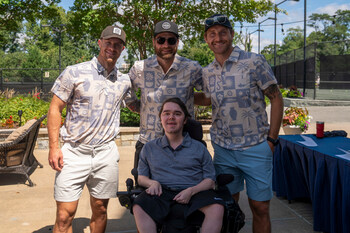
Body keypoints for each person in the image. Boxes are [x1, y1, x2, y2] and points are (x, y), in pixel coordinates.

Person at [200, 14, 284, 233]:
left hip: (256, 147)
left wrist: (272, 140)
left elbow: (276, 97)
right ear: (206, 40)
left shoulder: (254, 61)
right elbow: (209, 99)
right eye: (212, 34)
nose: (217, 38)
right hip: (223, 149)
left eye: (222, 33)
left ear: (231, 34)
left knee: (260, 208)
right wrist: (181, 95)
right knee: (228, 207)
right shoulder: (207, 71)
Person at [47, 25, 131, 233]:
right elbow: (55, 108)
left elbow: (137, 106)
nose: (112, 48)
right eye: (108, 43)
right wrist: (54, 147)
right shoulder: (75, 72)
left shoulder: (124, 81)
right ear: (99, 43)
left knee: (101, 209)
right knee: (64, 215)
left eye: (117, 45)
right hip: (74, 152)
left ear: (122, 49)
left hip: (105, 153)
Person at [132, 97, 225, 233]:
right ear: (161, 118)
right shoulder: (149, 148)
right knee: (139, 205)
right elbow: (141, 178)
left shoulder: (199, 148)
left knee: (217, 207)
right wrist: (152, 183)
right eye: (167, 113)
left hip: (194, 192)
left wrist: (191, 191)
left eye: (177, 113)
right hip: (161, 193)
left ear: (185, 120)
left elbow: (210, 181)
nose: (171, 117)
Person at [126, 20, 203, 172]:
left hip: (184, 145)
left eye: (171, 40)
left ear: (177, 42)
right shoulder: (140, 68)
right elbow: (127, 94)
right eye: (161, 40)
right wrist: (144, 109)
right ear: (154, 42)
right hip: (148, 143)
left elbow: (208, 94)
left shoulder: (192, 68)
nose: (166, 45)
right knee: (144, 191)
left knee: (185, 192)